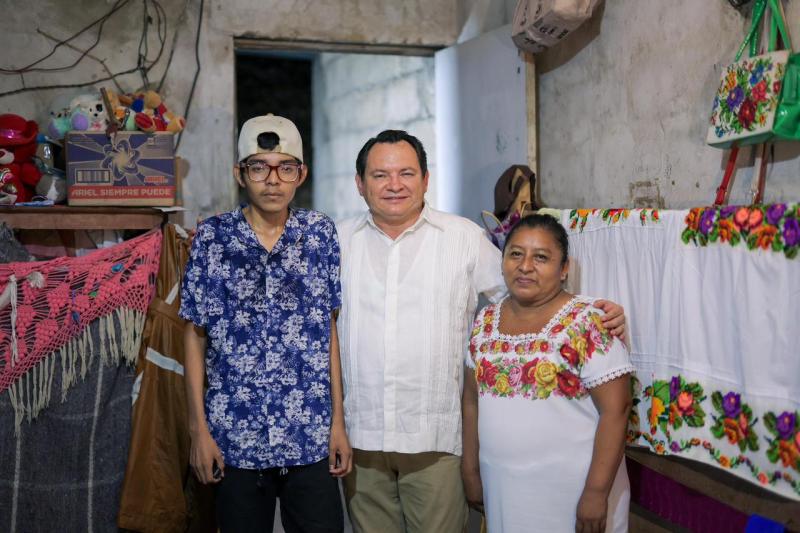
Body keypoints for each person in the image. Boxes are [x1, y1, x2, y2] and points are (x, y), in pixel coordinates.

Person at [335, 129, 627, 533]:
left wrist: (591, 314)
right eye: (381, 175)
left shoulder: (463, 238)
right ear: (360, 184)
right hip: (361, 437)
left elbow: (528, 286)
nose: (395, 185)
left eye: (406, 173)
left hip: (434, 441)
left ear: (426, 180)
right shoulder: (336, 242)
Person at [180, 114, 352, 532]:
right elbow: (194, 334)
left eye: (285, 168)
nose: (272, 180)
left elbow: (329, 330)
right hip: (235, 434)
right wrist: (198, 430)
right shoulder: (214, 238)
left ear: (301, 174)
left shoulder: (318, 234)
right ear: (241, 174)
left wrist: (338, 424)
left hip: (309, 433)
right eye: (259, 167)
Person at [462, 213, 634, 533]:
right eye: (516, 253)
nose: (525, 266)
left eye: (541, 257)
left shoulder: (590, 323)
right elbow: (472, 401)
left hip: (574, 492)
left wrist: (596, 493)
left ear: (564, 268)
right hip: (504, 486)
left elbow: (617, 409)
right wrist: (470, 470)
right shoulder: (486, 321)